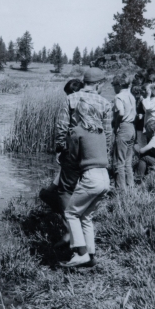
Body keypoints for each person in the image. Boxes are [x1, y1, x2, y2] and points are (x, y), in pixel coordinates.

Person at [60, 99, 110, 268]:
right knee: (86, 216)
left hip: (91, 177)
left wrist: (63, 159)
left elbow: (73, 158)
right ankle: (90, 254)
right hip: (105, 177)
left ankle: (81, 254)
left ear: (78, 114)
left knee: (71, 214)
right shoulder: (100, 131)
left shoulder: (76, 131)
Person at [39, 78, 84, 215]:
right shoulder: (94, 100)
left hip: (73, 144)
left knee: (66, 174)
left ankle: (67, 215)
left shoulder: (70, 100)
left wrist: (59, 148)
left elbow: (62, 126)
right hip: (89, 145)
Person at [111, 73, 136, 191]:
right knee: (128, 162)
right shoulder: (131, 96)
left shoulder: (119, 96)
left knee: (119, 162)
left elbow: (120, 112)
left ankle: (121, 190)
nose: (113, 88)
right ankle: (131, 186)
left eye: (114, 85)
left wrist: (116, 125)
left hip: (124, 128)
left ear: (119, 85)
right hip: (132, 128)